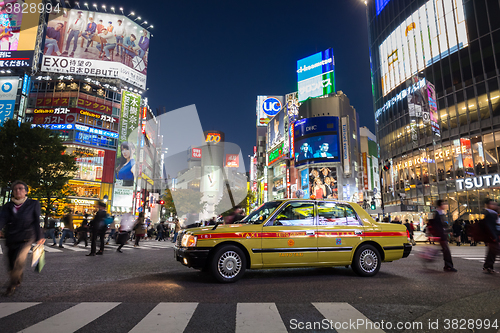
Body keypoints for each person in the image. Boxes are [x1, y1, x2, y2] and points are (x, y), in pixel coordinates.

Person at [0, 180, 45, 296]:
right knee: (10, 261)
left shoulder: (33, 203)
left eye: (21, 188)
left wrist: (39, 236)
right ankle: (17, 278)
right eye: (15, 189)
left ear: (26, 191)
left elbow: (36, 220)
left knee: (19, 261)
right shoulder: (8, 206)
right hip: (11, 236)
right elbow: (2, 219)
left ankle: (12, 285)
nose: (18, 191)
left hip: (26, 236)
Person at [429, 199, 456, 272]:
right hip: (441, 235)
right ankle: (448, 266)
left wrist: (448, 231)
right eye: (443, 204)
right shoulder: (437, 214)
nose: (444, 205)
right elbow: (436, 225)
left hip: (442, 235)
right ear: (440, 205)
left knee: (443, 250)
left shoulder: (441, 213)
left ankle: (431, 258)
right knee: (446, 250)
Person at [482, 199, 500, 273]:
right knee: (496, 250)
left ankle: (488, 266)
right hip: (493, 236)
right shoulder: (490, 214)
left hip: (493, 236)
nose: (494, 205)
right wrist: (493, 236)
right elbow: (490, 227)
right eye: (492, 204)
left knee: (492, 252)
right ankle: (488, 266)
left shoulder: (493, 214)